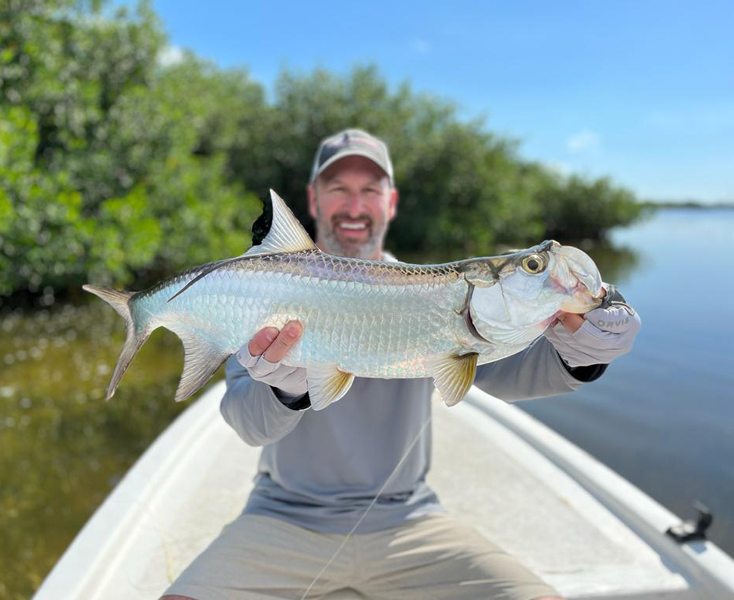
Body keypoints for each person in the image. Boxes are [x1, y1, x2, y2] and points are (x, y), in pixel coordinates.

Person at [162, 129, 641, 600]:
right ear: (313, 199)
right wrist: (285, 391)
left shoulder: (446, 293)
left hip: (409, 520)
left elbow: (522, 376)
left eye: (370, 190)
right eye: (338, 188)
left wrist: (583, 352)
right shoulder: (261, 289)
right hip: (282, 516)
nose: (355, 205)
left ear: (391, 203)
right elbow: (248, 423)